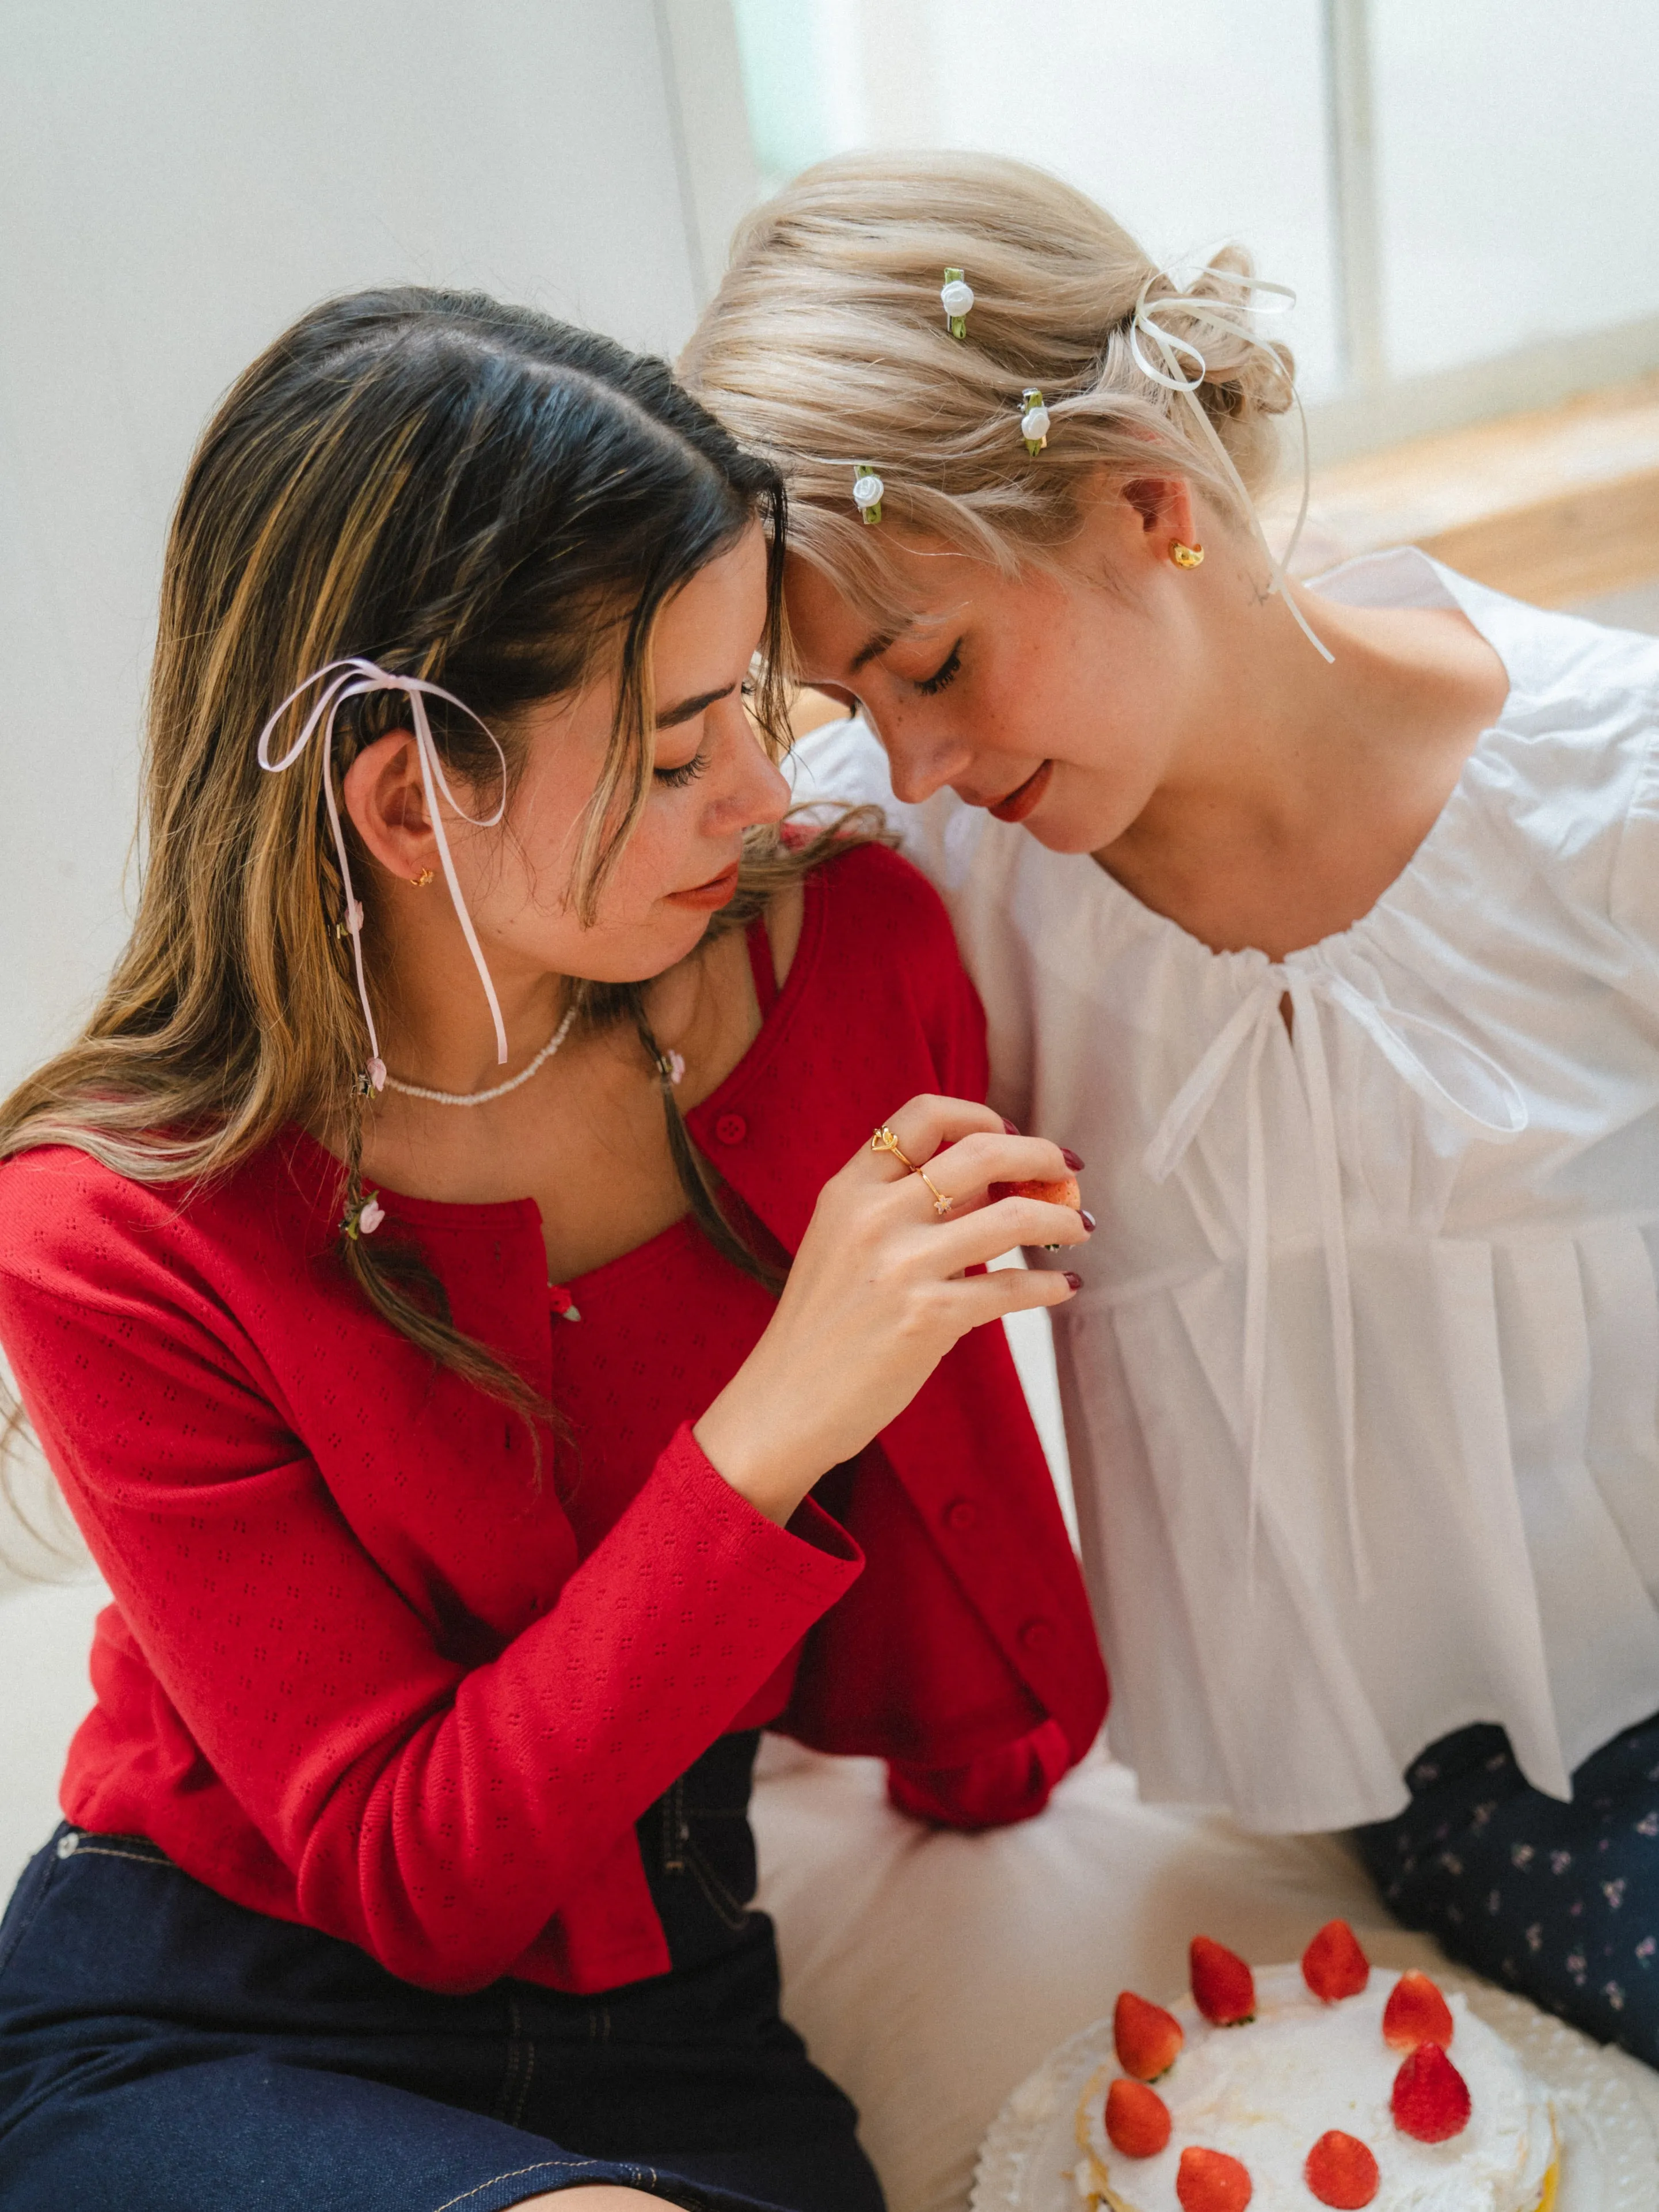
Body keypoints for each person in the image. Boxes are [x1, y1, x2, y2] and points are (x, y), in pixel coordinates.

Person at [0, 287, 1107, 2212]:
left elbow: (980, 1717)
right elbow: (414, 1878)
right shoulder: (114, 1233)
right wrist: (788, 1405)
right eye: (681, 753)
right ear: (405, 797)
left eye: (755, 702)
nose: (772, 795)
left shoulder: (846, 967)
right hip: (223, 2004)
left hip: (680, 2001)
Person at [682, 150, 1659, 2062]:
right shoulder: (940, 882)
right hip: (1484, 1756)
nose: (925, 755)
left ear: (1149, 500)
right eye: (852, 705)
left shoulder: (1608, 799)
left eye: (935, 664)